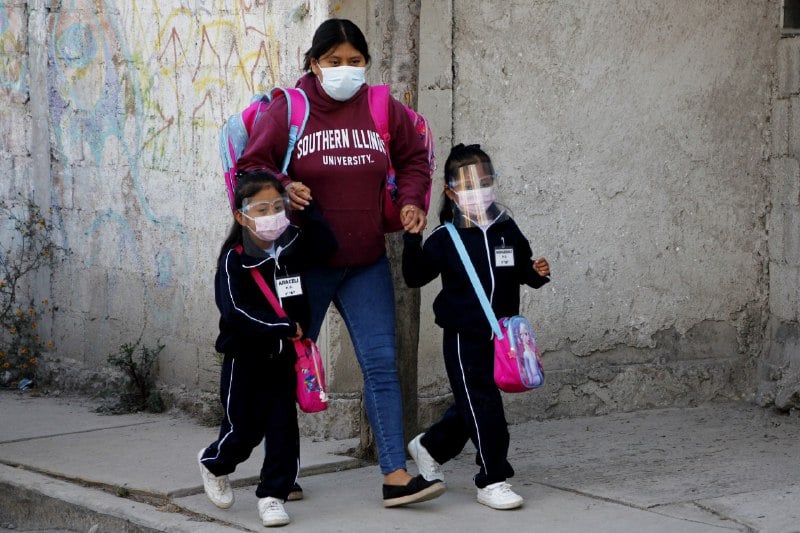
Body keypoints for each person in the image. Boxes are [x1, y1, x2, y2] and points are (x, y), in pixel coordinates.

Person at [236, 18, 443, 507]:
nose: (345, 70)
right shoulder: (292, 108)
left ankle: (395, 475)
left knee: (381, 367)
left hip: (366, 261)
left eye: (355, 61)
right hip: (305, 264)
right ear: (314, 62)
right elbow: (252, 165)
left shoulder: (380, 107)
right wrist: (284, 187)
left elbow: (414, 158)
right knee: (286, 364)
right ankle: (281, 473)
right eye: (334, 62)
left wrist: (413, 199)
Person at [402, 143, 551, 510]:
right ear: (451, 192)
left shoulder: (506, 228)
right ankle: (492, 479)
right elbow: (414, 275)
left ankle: (429, 447)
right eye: (468, 185)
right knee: (485, 407)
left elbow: (522, 269)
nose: (478, 190)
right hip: (463, 338)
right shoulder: (445, 237)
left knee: (473, 404)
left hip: (502, 340)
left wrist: (536, 274)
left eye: (484, 181)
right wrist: (412, 237)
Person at [197, 170, 337, 527]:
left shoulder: (291, 246)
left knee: (282, 429)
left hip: (283, 360)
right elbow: (235, 312)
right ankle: (215, 464)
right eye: (262, 209)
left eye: (278, 206)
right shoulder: (234, 261)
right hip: (245, 359)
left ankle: (273, 494)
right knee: (242, 430)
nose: (272, 215)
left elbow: (327, 247)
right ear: (241, 216)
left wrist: (310, 205)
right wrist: (283, 326)